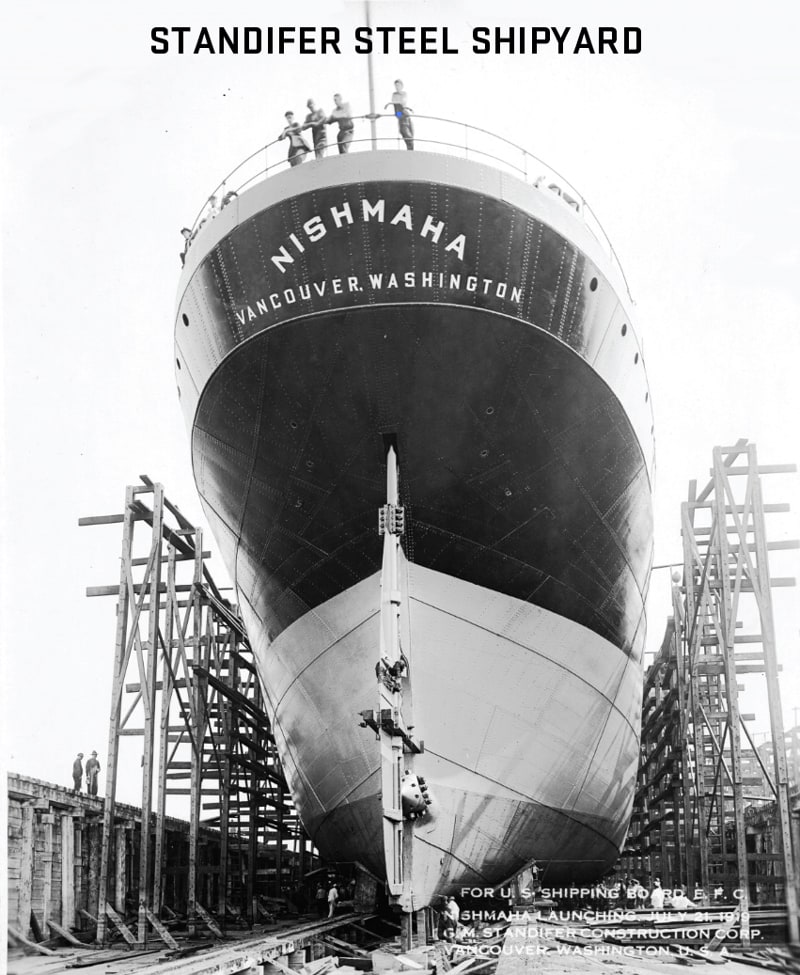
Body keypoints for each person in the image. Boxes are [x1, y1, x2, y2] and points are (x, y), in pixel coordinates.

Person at [385, 79, 414, 149]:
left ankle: (409, 143)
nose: (397, 87)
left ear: (401, 86)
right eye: (396, 85)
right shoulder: (394, 94)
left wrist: (395, 102)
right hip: (398, 112)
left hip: (403, 111)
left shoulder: (404, 93)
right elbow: (395, 101)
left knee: (406, 128)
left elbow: (403, 101)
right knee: (402, 126)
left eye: (398, 85)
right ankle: (409, 142)